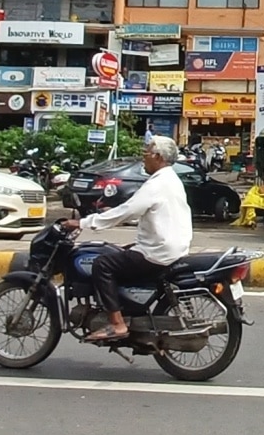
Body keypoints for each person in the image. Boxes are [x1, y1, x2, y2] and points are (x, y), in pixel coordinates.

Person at [62, 135, 192, 343]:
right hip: (170, 246)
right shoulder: (171, 180)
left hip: (158, 251)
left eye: (146, 153)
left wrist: (84, 223)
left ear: (158, 157)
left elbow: (128, 210)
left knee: (102, 264)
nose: (143, 158)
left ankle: (117, 324)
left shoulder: (157, 184)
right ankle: (127, 309)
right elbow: (144, 212)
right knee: (120, 253)